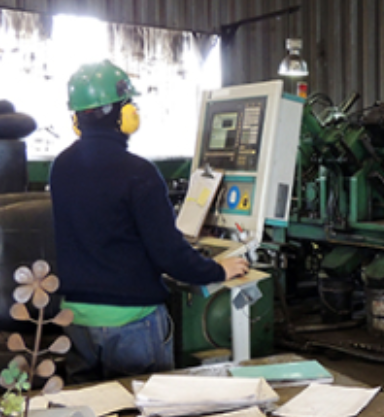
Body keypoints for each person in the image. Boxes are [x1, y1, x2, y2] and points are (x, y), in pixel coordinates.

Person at [50, 60, 249, 382]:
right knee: (143, 406)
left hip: (76, 320)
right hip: (133, 322)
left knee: (91, 406)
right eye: (130, 104)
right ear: (123, 114)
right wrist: (216, 270)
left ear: (77, 119)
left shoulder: (60, 167)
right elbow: (169, 254)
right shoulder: (139, 173)